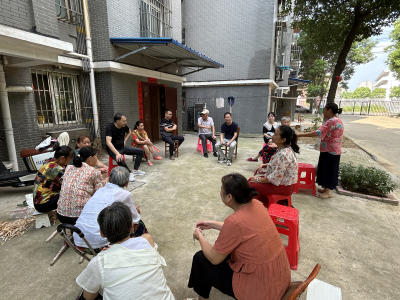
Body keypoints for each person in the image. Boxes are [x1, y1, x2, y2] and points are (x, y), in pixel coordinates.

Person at [187, 173, 291, 300]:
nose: (220, 192)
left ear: (229, 197)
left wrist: (200, 237)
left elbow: (215, 258)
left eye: (221, 189)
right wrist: (212, 224)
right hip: (279, 277)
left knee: (200, 258)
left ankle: (201, 299)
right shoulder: (257, 204)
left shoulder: (234, 221)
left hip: (261, 290)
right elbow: (243, 229)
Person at [76, 202, 175, 300]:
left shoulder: (98, 263)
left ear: (102, 234)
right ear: (132, 227)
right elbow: (144, 237)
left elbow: (89, 297)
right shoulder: (147, 240)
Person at [73, 166, 147, 251]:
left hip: (80, 242)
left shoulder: (99, 191)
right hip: (100, 244)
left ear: (108, 179)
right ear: (127, 183)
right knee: (138, 223)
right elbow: (135, 219)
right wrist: (135, 213)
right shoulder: (125, 194)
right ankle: (144, 246)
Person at [296, 103, 344, 199]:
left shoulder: (332, 121)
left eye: (324, 110)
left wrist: (299, 135)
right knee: (327, 169)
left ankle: (328, 192)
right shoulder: (337, 120)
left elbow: (318, 133)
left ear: (329, 110)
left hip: (330, 150)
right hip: (331, 150)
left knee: (329, 170)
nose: (323, 112)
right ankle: (326, 188)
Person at [248, 125, 299, 207]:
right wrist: (264, 165)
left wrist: (258, 179)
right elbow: (279, 166)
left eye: (275, 134)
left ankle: (253, 207)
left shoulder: (284, 154)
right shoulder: (283, 150)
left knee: (250, 184)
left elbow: (275, 178)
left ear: (283, 140)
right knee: (251, 180)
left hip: (282, 186)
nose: (272, 136)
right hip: (280, 183)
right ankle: (255, 206)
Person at [57, 147, 107, 225]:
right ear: (90, 158)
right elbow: (100, 193)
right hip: (80, 217)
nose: (97, 160)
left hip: (61, 215)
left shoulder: (68, 168)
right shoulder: (93, 171)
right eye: (96, 158)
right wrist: (106, 180)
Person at [33, 146, 75, 213]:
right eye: (69, 159)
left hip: (38, 201)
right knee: (73, 194)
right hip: (42, 204)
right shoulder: (54, 168)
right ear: (62, 158)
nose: (69, 161)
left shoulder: (49, 161)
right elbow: (68, 184)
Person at [105, 113, 145, 182]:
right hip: (113, 150)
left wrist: (125, 140)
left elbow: (129, 132)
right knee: (120, 159)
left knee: (140, 151)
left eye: (125, 121)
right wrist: (117, 153)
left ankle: (135, 170)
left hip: (122, 147)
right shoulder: (110, 127)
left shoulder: (124, 126)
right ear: (117, 121)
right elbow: (108, 142)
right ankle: (128, 174)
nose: (125, 122)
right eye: (124, 121)